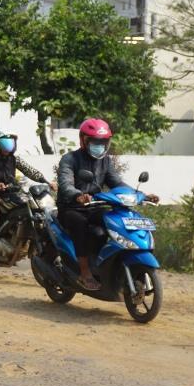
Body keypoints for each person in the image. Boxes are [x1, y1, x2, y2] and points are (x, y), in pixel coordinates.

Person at [57, 118, 157, 290]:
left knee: (114, 222)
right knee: (80, 224)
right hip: (72, 208)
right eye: (95, 141)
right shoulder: (70, 159)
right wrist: (78, 195)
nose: (100, 145)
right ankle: (85, 272)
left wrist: (141, 195)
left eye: (103, 142)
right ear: (83, 140)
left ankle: (110, 264)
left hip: (95, 206)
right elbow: (66, 185)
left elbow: (117, 183)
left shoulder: (106, 161)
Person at [0, 131, 48, 264]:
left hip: (11, 194)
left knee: (30, 211)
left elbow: (30, 171)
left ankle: (15, 242)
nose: (7, 147)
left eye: (9, 144)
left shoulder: (15, 159)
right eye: (4, 144)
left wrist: (46, 181)